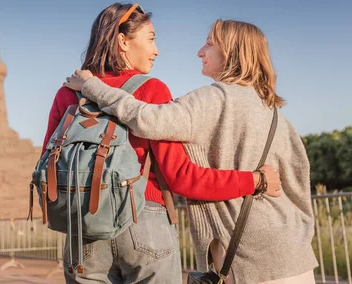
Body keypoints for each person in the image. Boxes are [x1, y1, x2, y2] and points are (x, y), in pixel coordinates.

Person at [64, 19, 318, 284]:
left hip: (250, 256)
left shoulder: (215, 99)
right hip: (294, 248)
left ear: (233, 51)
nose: (200, 51)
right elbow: (299, 181)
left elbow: (149, 119)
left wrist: (92, 87)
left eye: (209, 43)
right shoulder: (274, 112)